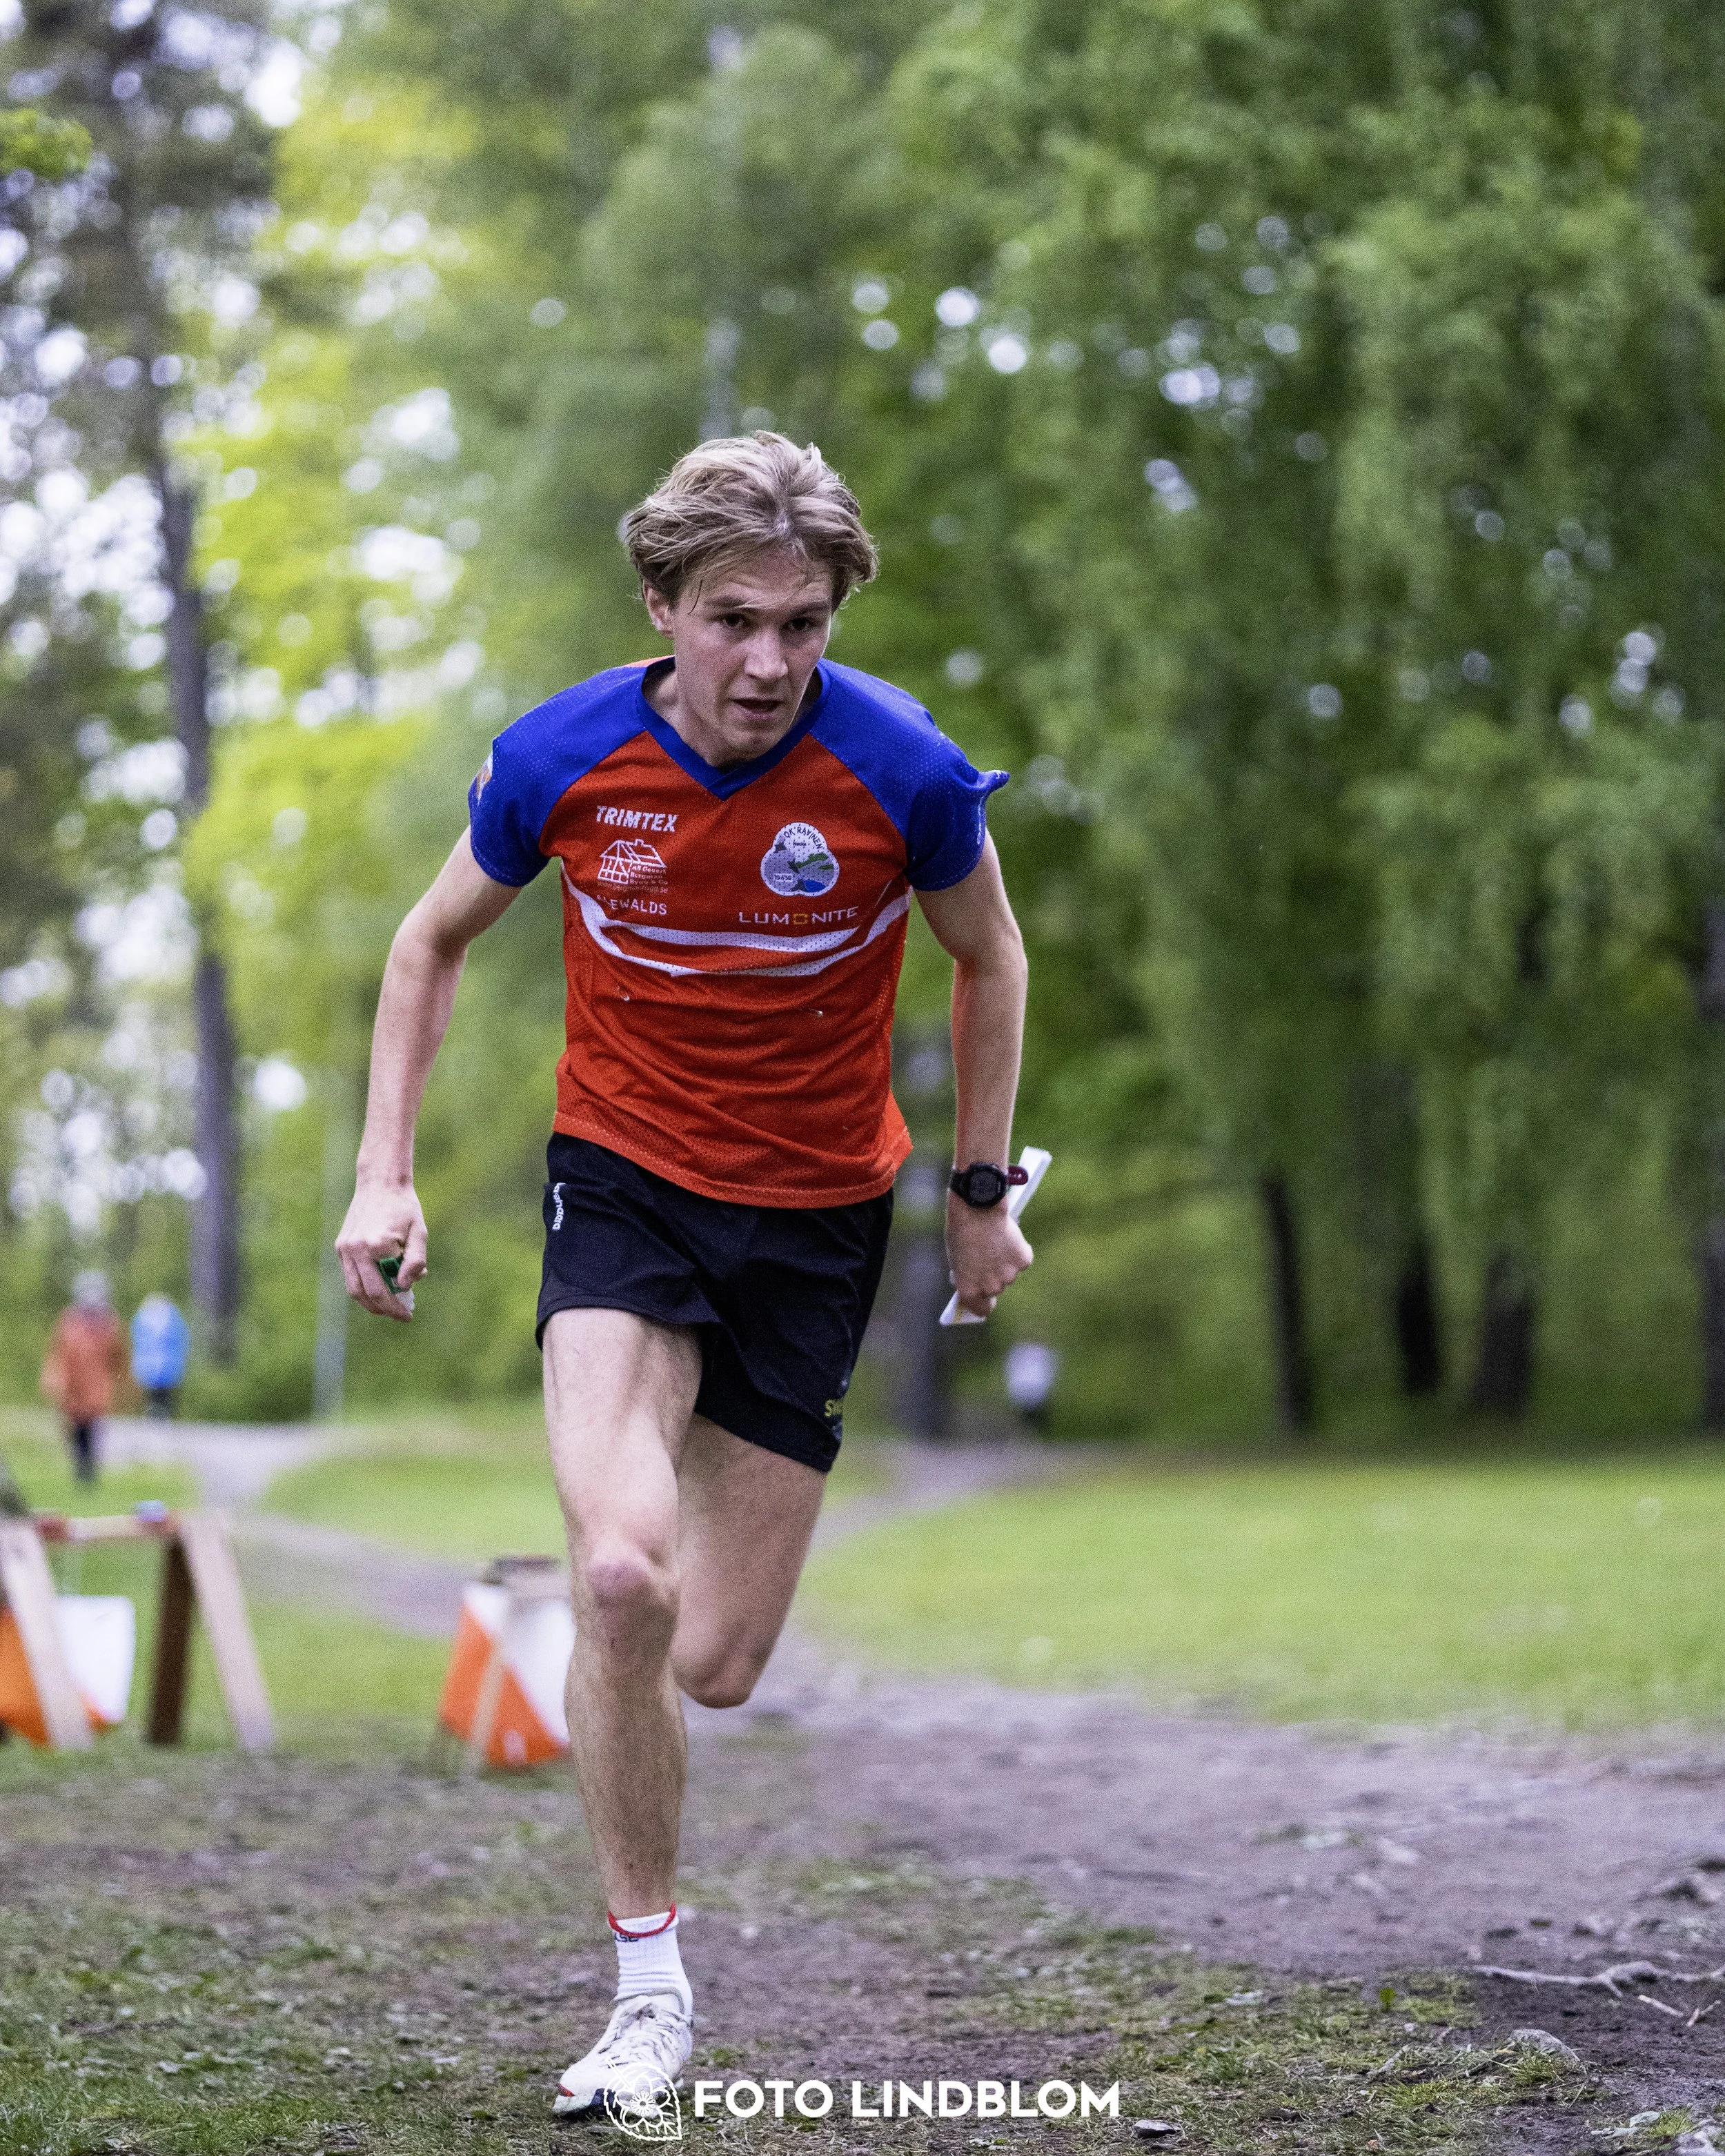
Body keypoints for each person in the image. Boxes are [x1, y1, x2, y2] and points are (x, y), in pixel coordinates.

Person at [335, 432, 1032, 2121]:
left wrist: (980, 1193)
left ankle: (658, 1589)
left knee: (715, 1659)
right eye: (735, 620)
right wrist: (383, 1169)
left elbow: (988, 954)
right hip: (627, 1189)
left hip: (814, 1223)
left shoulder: (904, 772)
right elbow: (428, 939)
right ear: (661, 604)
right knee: (626, 1580)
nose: (772, 663)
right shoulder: (560, 756)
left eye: (804, 624)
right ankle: (647, 1986)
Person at [40, 1271, 127, 1484]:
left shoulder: (109, 1324)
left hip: (97, 1385)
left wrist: (120, 1380)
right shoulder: (69, 1321)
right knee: (77, 1428)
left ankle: (90, 1469)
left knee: (94, 1427)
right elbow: (58, 1353)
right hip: (73, 1385)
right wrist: (55, 1379)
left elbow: (118, 1356)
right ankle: (81, 1468)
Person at [130, 1294, 190, 1419]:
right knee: (160, 1395)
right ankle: (159, 1413)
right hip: (163, 1368)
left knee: (159, 1394)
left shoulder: (144, 1318)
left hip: (155, 1368)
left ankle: (157, 1413)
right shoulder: (172, 1319)